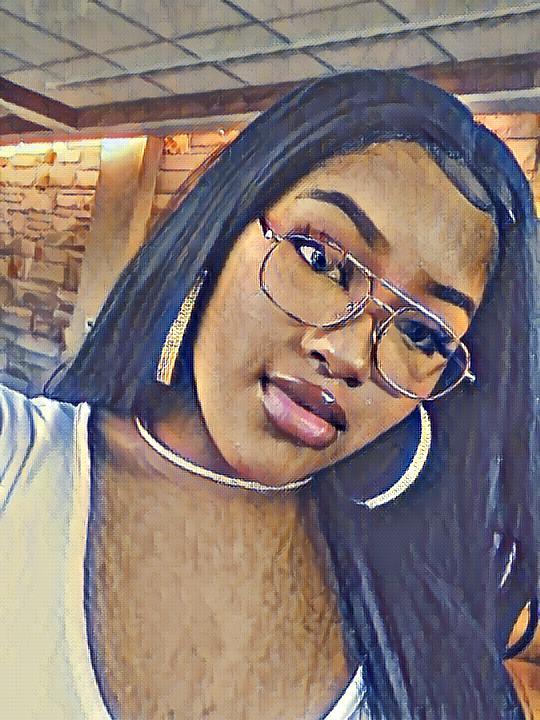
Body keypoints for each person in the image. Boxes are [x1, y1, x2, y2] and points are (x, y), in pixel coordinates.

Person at [0, 70, 537, 720]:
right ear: (223, 233)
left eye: (422, 333)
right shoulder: (20, 460)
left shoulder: (432, 631)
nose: (347, 354)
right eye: (319, 259)